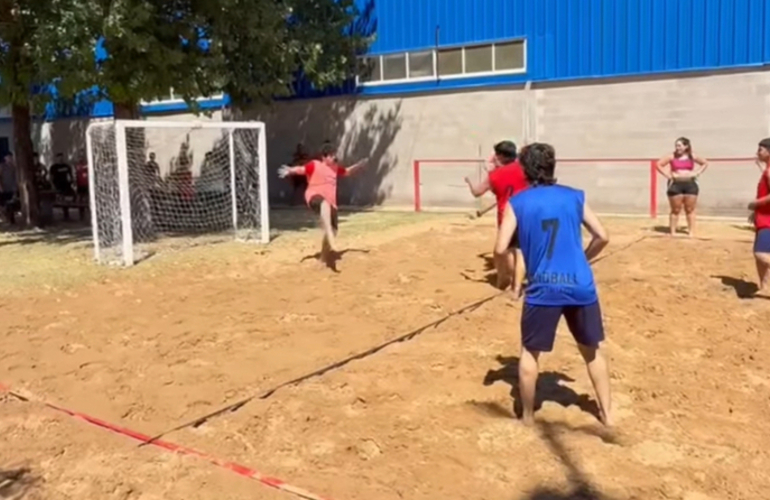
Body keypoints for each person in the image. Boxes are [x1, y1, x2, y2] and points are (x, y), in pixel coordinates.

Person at [494, 142, 612, 427]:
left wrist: (508, 275)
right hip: (580, 284)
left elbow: (499, 248)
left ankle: (528, 417)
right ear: (552, 166)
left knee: (530, 353)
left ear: (524, 169)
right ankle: (608, 416)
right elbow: (603, 236)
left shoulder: (518, 202)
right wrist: (583, 259)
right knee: (591, 351)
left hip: (542, 288)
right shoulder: (574, 196)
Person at [278, 143, 367, 265]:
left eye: (334, 155)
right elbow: (301, 170)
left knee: (334, 230)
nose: (333, 158)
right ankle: (329, 231)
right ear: (324, 157)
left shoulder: (335, 168)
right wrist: (290, 170)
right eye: (330, 156)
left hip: (332, 204)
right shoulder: (315, 164)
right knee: (324, 205)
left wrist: (359, 166)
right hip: (314, 196)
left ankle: (324, 257)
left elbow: (347, 172)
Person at [464, 140, 528, 293]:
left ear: (499, 156)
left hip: (507, 215)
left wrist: (469, 181)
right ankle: (519, 280)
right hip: (527, 212)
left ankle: (509, 281)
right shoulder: (525, 169)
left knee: (506, 250)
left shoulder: (494, 176)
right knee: (521, 249)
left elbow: (477, 192)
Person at [656, 137, 709, 236]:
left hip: (690, 184)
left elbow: (705, 163)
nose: (677, 148)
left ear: (686, 146)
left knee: (690, 209)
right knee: (675, 209)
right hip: (676, 184)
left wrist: (697, 173)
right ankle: (673, 232)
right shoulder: (671, 156)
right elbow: (659, 164)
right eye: (676, 145)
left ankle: (691, 232)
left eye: (679, 145)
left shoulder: (692, 156)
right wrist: (668, 175)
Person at [749, 138, 770, 295]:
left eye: (761, 150)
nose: (758, 153)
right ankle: (765, 288)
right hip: (762, 217)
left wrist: (755, 203)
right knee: (759, 256)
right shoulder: (766, 170)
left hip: (768, 219)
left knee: (761, 254)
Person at [0, 153, 18, 223]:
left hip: (12, 187)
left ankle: (11, 219)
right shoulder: (2, 166)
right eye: (8, 157)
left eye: (11, 157)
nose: (10, 159)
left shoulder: (14, 167)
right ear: (5, 158)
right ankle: (4, 217)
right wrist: (0, 186)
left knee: (11, 203)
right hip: (4, 187)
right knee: (3, 204)